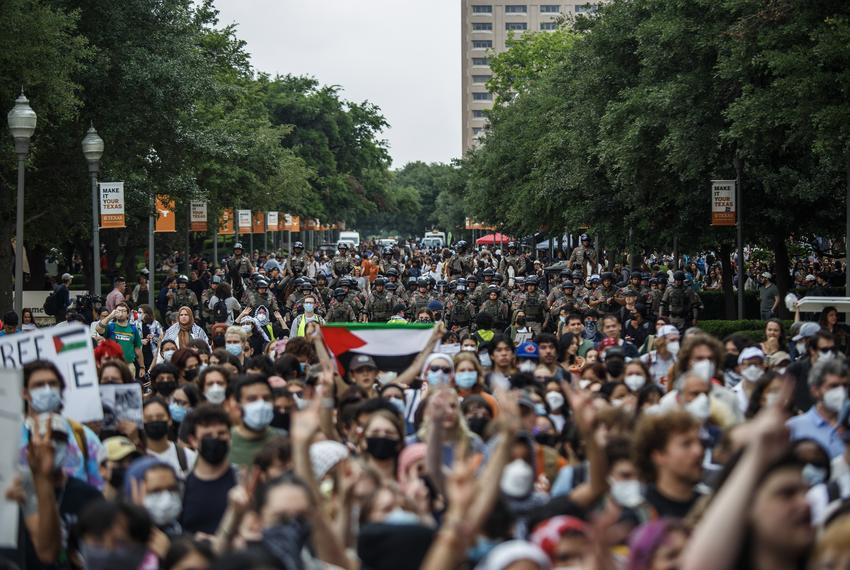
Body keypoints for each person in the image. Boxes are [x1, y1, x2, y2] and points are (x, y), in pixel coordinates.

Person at [634, 410, 705, 518]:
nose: (698, 451)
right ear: (658, 455)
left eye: (699, 442)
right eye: (686, 444)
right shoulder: (640, 513)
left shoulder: (711, 507)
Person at [180, 404, 237, 535]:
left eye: (221, 433)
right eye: (208, 435)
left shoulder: (243, 482)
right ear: (193, 440)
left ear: (230, 437)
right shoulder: (181, 486)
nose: (215, 438)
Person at [786, 359, 848, 458]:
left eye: (845, 386)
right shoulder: (795, 427)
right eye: (833, 386)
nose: (841, 391)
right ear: (815, 391)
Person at [228, 375, 284, 467]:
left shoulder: (283, 440)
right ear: (238, 406)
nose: (261, 404)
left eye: (266, 398)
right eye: (252, 399)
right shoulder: (225, 442)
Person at [143, 397, 197, 479]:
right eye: (149, 418)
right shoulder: (136, 458)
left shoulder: (188, 457)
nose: (155, 421)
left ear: (170, 420)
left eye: (160, 417)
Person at [94, 301, 145, 378]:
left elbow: (137, 349)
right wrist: (111, 315)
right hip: (112, 365)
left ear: (128, 314)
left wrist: (142, 367)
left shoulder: (133, 329)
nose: (121, 313)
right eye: (118, 310)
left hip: (129, 365)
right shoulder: (111, 326)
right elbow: (98, 328)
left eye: (123, 311)